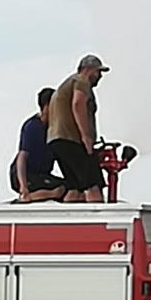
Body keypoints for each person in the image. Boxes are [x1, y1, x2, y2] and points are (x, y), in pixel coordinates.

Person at [46, 53, 109, 203]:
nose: (99, 76)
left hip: (57, 140)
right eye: (98, 71)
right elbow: (78, 103)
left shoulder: (65, 84)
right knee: (93, 184)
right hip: (72, 140)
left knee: (75, 187)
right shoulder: (81, 81)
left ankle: (69, 220)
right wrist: (86, 136)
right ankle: (98, 221)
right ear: (88, 69)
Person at [9, 87, 66, 203]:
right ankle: (28, 197)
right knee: (58, 190)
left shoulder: (55, 128)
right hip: (27, 174)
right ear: (46, 107)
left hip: (42, 175)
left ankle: (41, 195)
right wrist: (23, 186)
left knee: (67, 187)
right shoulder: (33, 127)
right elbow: (22, 157)